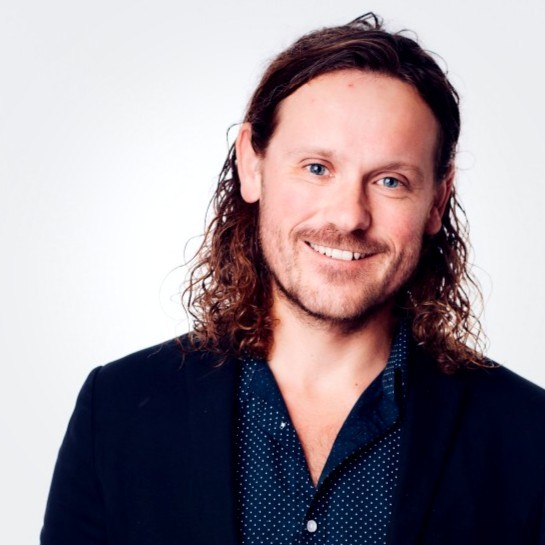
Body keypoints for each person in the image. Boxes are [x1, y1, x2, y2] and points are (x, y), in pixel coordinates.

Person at [41, 13, 545, 545]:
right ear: (251, 164)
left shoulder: (528, 436)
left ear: (437, 201)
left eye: (390, 180)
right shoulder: (116, 411)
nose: (349, 216)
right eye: (316, 168)